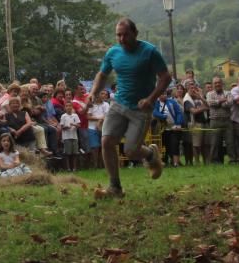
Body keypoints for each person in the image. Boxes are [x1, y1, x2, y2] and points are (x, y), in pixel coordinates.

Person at [89, 18, 168, 196]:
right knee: (106, 141)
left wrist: (150, 99)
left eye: (125, 35)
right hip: (118, 104)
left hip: (141, 108)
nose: (122, 39)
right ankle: (115, 188)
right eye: (118, 35)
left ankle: (150, 155)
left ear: (135, 33)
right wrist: (94, 92)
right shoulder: (113, 52)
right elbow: (102, 74)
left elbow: (165, 78)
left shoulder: (149, 52)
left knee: (131, 151)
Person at [153, 89, 185, 167]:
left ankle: (176, 163)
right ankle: (164, 162)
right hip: (162, 129)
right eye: (161, 94)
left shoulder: (172, 102)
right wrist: (163, 116)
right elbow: (155, 112)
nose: (164, 95)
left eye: (165, 94)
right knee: (164, 146)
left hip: (174, 127)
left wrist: (178, 123)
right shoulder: (156, 103)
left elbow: (179, 113)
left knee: (174, 145)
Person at [205, 76, 233, 163]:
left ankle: (232, 160)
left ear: (222, 83)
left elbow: (230, 103)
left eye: (219, 82)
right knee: (214, 143)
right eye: (215, 83)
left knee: (230, 142)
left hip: (227, 121)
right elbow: (210, 103)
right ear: (213, 85)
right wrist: (221, 101)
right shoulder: (209, 94)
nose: (217, 84)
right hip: (214, 121)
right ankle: (214, 160)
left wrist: (218, 103)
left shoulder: (228, 93)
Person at [60, 100, 81, 171]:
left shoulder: (75, 115)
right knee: (67, 153)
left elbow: (79, 125)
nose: (68, 107)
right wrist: (67, 127)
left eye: (70, 106)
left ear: (72, 107)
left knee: (75, 153)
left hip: (74, 136)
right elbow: (62, 127)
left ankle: (74, 167)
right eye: (67, 106)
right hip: (66, 137)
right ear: (65, 108)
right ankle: (68, 168)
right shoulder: (63, 116)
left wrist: (74, 124)